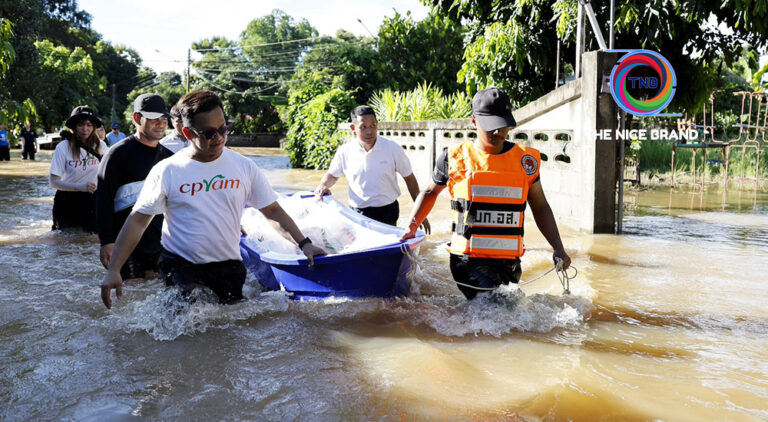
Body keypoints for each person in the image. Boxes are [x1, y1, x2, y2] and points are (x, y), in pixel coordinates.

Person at [100, 90, 326, 309]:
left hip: (227, 265)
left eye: (223, 129)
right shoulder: (167, 170)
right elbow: (138, 220)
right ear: (188, 134)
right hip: (180, 263)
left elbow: (272, 210)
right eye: (208, 133)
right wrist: (114, 270)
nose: (218, 138)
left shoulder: (243, 166)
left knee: (229, 328)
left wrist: (304, 244)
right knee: (185, 318)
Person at [400, 88, 571, 300]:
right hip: (467, 261)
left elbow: (540, 206)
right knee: (498, 307)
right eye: (491, 126)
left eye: (502, 125)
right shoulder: (453, 158)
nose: (498, 132)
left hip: (509, 261)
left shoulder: (526, 161)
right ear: (474, 122)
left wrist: (558, 248)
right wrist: (412, 225)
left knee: (500, 314)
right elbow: (429, 192)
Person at [314, 106, 430, 232]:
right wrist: (323, 185)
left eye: (372, 125)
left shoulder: (392, 149)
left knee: (387, 249)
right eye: (363, 127)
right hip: (357, 213)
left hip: (387, 211)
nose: (369, 131)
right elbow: (333, 175)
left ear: (377, 125)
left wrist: (420, 213)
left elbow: (410, 179)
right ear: (353, 128)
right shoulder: (345, 151)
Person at [96, 94, 175, 281]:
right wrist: (106, 242)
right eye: (154, 119)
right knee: (129, 297)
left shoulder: (169, 158)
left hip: (160, 243)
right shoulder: (117, 154)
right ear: (137, 118)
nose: (161, 124)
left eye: (164, 119)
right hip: (126, 244)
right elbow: (103, 200)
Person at [49, 106, 108, 232]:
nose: (85, 129)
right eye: (81, 125)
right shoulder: (63, 147)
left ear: (93, 127)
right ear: (74, 126)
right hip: (67, 201)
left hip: (93, 200)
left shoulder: (101, 146)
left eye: (89, 125)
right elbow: (53, 182)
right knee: (67, 242)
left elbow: (109, 174)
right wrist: (80, 187)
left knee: (91, 241)